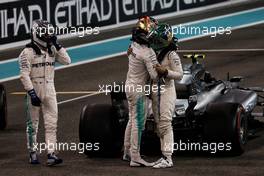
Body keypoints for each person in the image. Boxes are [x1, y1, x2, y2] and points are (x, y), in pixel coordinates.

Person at [18, 20, 71, 166]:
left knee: (51, 124)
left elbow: (67, 61)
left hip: (50, 89)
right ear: (37, 34)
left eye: (49, 33)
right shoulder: (26, 53)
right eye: (45, 33)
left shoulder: (52, 50)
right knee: (32, 125)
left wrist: (58, 45)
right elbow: (24, 75)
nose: (48, 36)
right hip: (34, 89)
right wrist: (32, 93)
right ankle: (32, 153)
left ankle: (51, 154)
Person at [123, 16, 162, 167]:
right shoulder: (148, 52)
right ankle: (135, 157)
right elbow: (154, 76)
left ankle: (127, 152)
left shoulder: (133, 45)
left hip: (129, 86)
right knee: (138, 124)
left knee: (131, 120)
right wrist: (159, 67)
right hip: (139, 90)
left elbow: (127, 54)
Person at [150, 23, 183, 168]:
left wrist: (166, 72)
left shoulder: (171, 54)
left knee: (165, 123)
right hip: (155, 91)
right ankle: (163, 156)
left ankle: (168, 158)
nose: (156, 41)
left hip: (167, 91)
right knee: (159, 124)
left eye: (158, 39)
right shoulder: (157, 53)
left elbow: (180, 75)